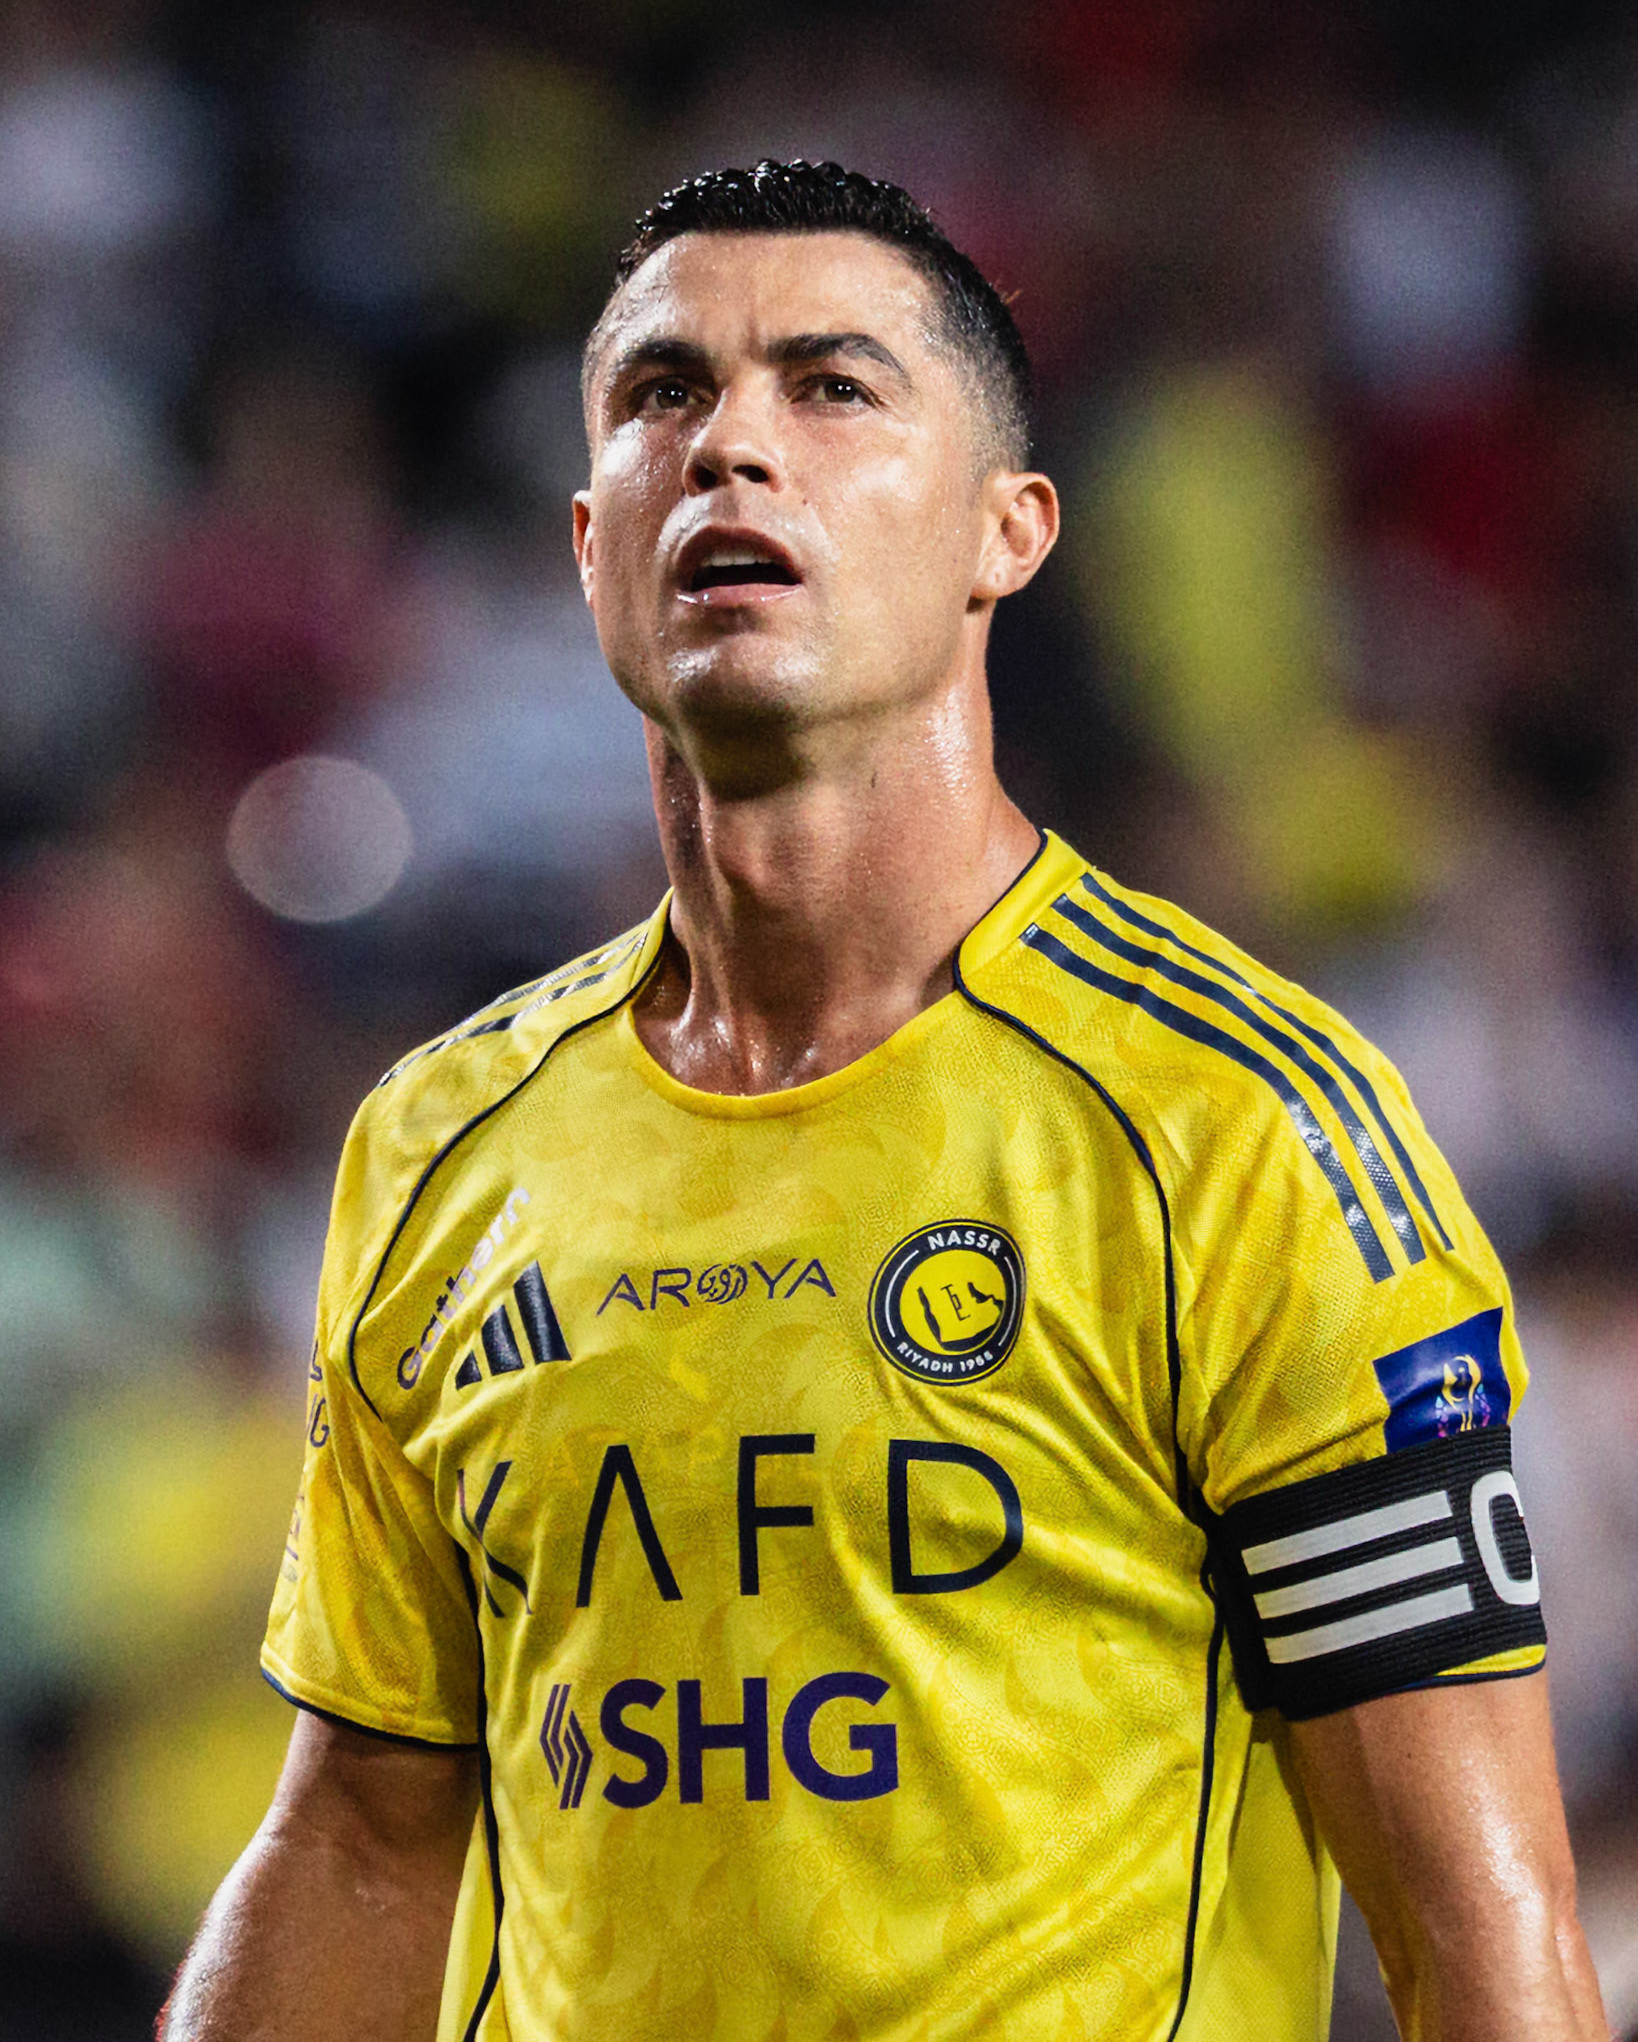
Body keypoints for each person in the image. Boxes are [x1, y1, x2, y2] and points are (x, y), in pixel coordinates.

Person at [161, 160, 1611, 2042]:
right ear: (585, 538)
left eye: (831, 389)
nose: (730, 449)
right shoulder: (443, 1145)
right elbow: (360, 1834)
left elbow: (1477, 1929)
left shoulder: (1235, 1127)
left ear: (1006, 532)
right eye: (664, 395)